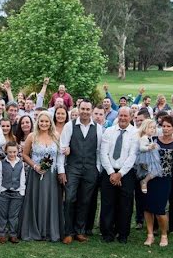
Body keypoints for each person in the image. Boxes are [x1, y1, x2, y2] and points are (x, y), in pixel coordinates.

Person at [58, 99, 103, 243]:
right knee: (70, 199)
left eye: (87, 109)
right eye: (82, 108)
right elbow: (62, 149)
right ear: (78, 109)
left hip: (90, 169)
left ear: (91, 111)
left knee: (85, 201)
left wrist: (97, 169)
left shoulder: (98, 128)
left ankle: (80, 231)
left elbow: (99, 151)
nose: (85, 111)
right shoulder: (69, 126)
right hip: (73, 168)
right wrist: (61, 171)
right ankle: (68, 232)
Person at [20, 112, 64, 242]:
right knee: (36, 200)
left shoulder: (56, 136)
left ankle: (49, 230)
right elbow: (25, 155)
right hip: (35, 175)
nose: (44, 124)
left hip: (51, 176)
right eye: (41, 121)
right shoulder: (32, 136)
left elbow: (60, 154)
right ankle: (34, 229)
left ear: (50, 122)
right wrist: (35, 166)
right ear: (37, 122)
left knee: (50, 201)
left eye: (46, 121)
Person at [99, 107, 138, 244]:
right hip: (109, 171)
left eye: (125, 116)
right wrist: (111, 173)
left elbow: (133, 155)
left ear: (131, 117)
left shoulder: (135, 133)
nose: (122, 118)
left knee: (125, 205)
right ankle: (107, 232)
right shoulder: (109, 131)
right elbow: (103, 153)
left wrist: (120, 174)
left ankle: (123, 233)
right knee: (107, 203)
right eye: (120, 115)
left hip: (126, 173)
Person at [140, 113, 173, 247]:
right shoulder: (154, 139)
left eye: (169, 126)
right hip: (150, 178)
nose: (166, 128)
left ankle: (163, 234)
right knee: (147, 207)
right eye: (163, 126)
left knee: (160, 209)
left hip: (164, 179)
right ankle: (150, 234)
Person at [0, 141, 26, 244]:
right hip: (4, 192)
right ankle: (2, 234)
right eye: (10, 152)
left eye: (14, 152)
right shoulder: (1, 163)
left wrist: (22, 192)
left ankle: (13, 234)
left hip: (17, 193)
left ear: (18, 151)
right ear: (6, 152)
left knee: (13, 215)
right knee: (2, 215)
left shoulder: (20, 163)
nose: (12, 154)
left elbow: (22, 179)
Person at [135, 119, 163, 194]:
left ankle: (144, 181)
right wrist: (149, 147)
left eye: (154, 128)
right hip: (145, 157)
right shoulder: (144, 137)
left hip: (151, 156)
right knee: (152, 170)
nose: (153, 129)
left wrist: (153, 146)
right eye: (150, 127)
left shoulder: (150, 137)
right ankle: (144, 182)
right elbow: (141, 148)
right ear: (144, 128)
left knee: (154, 170)